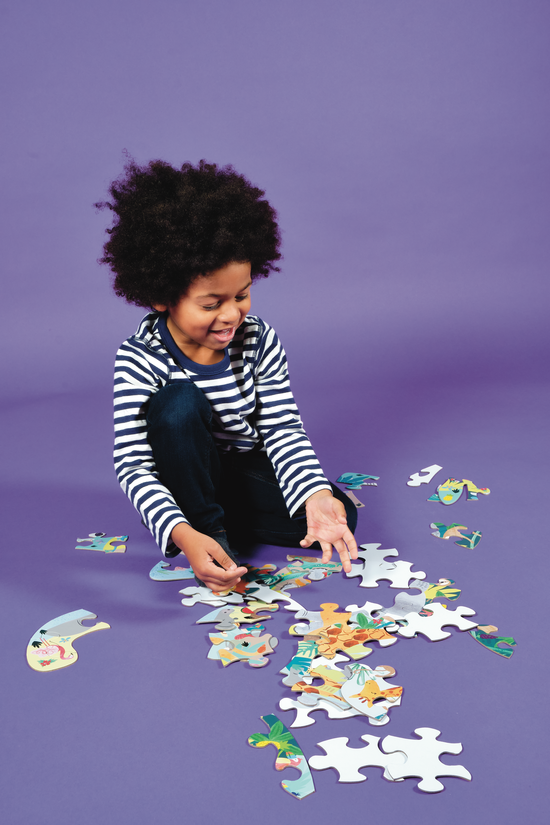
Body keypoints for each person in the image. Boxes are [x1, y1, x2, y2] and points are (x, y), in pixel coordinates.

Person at [97, 158, 358, 592]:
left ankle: (201, 512)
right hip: (182, 466)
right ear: (162, 296)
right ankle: (201, 529)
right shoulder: (139, 358)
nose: (232, 314)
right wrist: (186, 534)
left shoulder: (259, 339)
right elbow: (133, 464)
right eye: (211, 304)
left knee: (335, 515)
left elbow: (280, 428)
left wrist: (316, 495)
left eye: (242, 295)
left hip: (237, 467)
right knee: (179, 402)